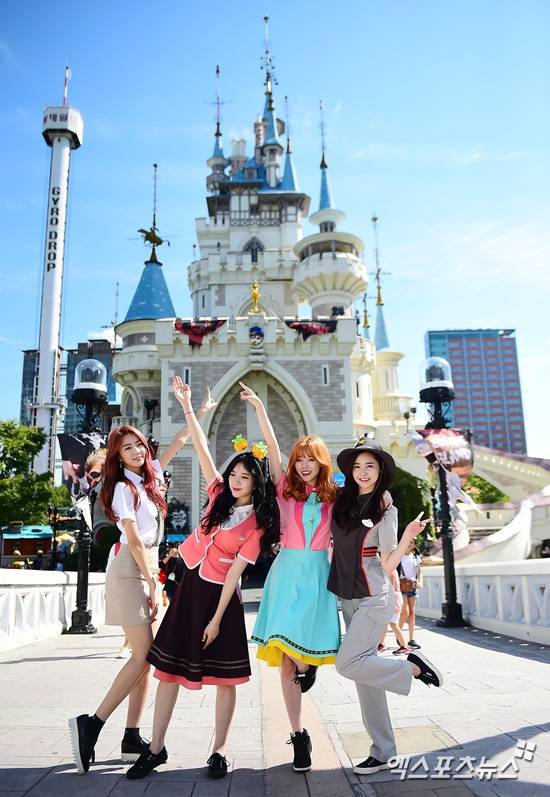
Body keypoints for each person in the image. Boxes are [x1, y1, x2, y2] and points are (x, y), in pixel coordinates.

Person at [126, 377, 279, 781]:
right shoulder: (216, 496)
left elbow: (235, 575)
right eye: (234, 474)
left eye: (244, 477)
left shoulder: (256, 526)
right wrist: (188, 406)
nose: (235, 481)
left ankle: (219, 750)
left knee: (225, 678)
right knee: (168, 671)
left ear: (256, 483)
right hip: (189, 588)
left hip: (221, 599)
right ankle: (155, 749)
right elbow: (201, 446)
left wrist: (216, 620)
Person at [68, 384, 217, 775]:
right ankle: (92, 724)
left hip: (147, 567)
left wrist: (197, 408)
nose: (136, 452)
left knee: (144, 658)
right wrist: (153, 581)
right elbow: (133, 538)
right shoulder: (121, 488)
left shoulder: (149, 480)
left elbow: (180, 440)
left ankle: (131, 735)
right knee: (144, 655)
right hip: (131, 570)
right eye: (127, 448)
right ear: (117, 456)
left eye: (139, 446)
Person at [328, 438, 444, 777]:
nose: (363, 472)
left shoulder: (386, 509)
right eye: (358, 466)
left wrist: (408, 534)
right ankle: (383, 752)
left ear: (380, 471)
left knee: (347, 664)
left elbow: (389, 563)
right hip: (347, 597)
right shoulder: (342, 502)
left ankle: (413, 668)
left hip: (374, 596)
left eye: (370, 466)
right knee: (365, 678)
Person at [240, 382, 340, 774]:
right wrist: (260, 408)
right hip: (285, 575)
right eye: (299, 459)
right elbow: (271, 445)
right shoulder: (285, 490)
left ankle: (307, 665)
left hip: (316, 575)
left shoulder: (334, 496)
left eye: (310, 459)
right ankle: (299, 735)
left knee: (297, 652)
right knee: (284, 654)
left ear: (321, 462)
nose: (303, 465)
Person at [399, 539, 423, 649]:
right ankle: (398, 633)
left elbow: (419, 572)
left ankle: (412, 639)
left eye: (412, 542)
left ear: (414, 545)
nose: (409, 543)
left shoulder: (416, 557)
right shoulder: (399, 556)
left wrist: (420, 582)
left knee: (412, 613)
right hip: (401, 586)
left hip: (413, 586)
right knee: (405, 612)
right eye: (408, 541)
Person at [378, 569, 409, 655]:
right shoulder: (390, 570)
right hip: (392, 599)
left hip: (394, 599)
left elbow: (391, 589)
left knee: (393, 624)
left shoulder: (391, 571)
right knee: (385, 623)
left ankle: (405, 646)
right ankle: (382, 644)